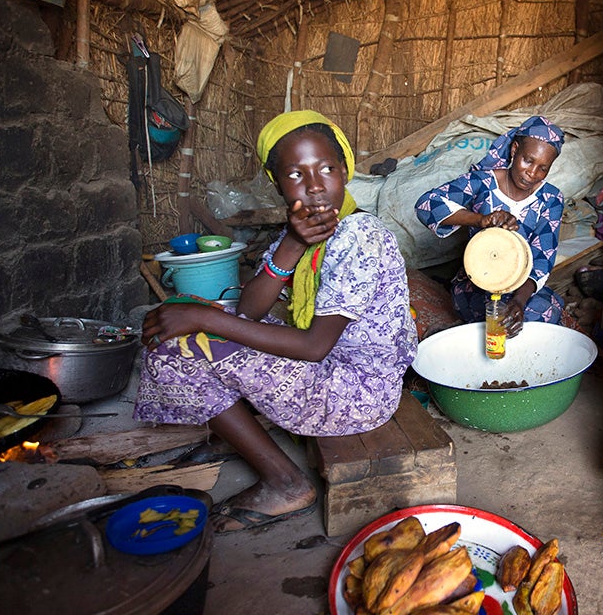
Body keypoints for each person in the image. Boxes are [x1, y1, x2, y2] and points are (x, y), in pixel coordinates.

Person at [135, 110, 418, 533]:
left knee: (189, 339)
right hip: (332, 367)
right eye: (295, 174)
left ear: (345, 171)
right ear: (278, 185)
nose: (316, 185)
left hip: (359, 392)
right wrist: (292, 241)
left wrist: (197, 319)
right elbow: (249, 309)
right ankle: (228, 425)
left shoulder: (360, 236)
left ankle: (284, 483)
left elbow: (314, 346)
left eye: (327, 168)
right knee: (199, 313)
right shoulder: (308, 230)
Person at [415, 116, 565, 337]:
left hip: (519, 288)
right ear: (514, 150)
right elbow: (426, 205)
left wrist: (519, 303)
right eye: (528, 160)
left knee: (547, 307)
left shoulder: (551, 199)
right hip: (476, 284)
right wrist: (480, 219)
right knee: (493, 314)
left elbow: (543, 257)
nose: (532, 173)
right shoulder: (482, 183)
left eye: (543, 168)